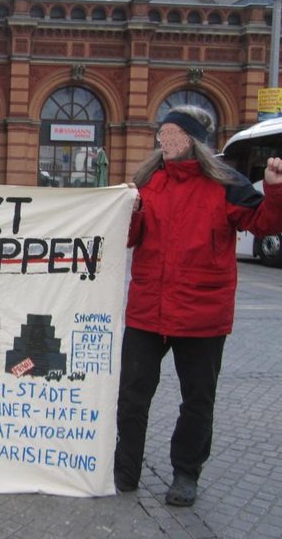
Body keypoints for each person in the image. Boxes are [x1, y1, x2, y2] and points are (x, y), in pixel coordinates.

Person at [114, 106, 282, 507]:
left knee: (197, 400)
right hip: (148, 310)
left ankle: (185, 474)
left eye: (172, 134)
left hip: (202, 314)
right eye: (162, 134)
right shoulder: (147, 181)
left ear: (190, 140)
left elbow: (264, 225)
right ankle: (125, 470)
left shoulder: (226, 184)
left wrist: (274, 190)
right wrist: (130, 213)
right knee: (132, 394)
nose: (164, 142)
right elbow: (129, 237)